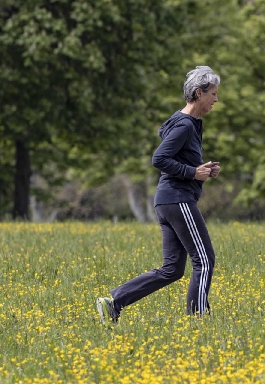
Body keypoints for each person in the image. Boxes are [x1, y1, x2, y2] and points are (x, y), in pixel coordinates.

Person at [96, 66, 221, 323]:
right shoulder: (185, 125)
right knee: (205, 260)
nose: (216, 100)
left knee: (172, 270)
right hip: (177, 200)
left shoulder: (189, 123)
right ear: (199, 93)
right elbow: (160, 158)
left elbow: (178, 159)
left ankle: (114, 303)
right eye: (214, 94)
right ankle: (198, 321)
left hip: (168, 201)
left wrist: (203, 171)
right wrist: (191, 172)